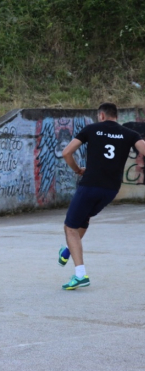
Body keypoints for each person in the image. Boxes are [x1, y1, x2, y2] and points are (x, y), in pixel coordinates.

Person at [58, 102, 145, 290]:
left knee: (70, 228)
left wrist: (77, 170)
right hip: (111, 190)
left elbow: (67, 152)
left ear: (102, 116)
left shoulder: (91, 129)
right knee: (84, 218)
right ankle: (68, 250)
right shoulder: (130, 134)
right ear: (116, 116)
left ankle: (80, 275)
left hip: (90, 185)